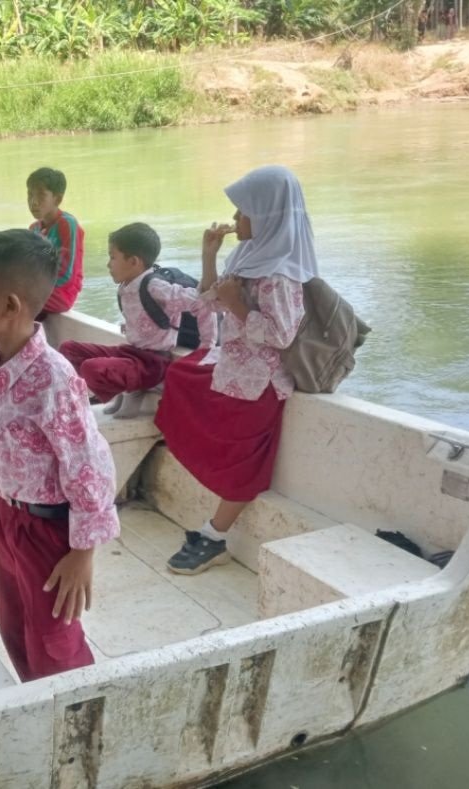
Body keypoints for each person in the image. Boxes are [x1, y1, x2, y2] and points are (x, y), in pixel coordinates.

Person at [0, 229, 120, 681]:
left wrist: (82, 553)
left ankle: (76, 706)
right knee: (14, 625)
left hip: (48, 533)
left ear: (10, 306)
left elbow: (87, 465)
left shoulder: (53, 379)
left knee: (53, 641)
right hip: (7, 520)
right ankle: (35, 701)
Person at [156, 165, 314, 575]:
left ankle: (214, 536)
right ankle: (211, 529)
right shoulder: (247, 255)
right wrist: (209, 256)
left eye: (243, 212)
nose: (235, 219)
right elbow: (209, 301)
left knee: (242, 465)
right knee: (178, 379)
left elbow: (281, 335)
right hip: (231, 369)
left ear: (266, 216)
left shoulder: (281, 273)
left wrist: (238, 305)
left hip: (259, 382)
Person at [59, 222, 217, 419]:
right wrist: (132, 325)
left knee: (91, 368)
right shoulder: (127, 286)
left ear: (134, 261)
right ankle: (123, 389)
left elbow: (202, 302)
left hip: (152, 363)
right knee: (68, 350)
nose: (108, 264)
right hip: (131, 353)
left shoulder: (155, 287)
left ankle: (132, 389)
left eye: (112, 257)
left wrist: (206, 345)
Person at [26, 167, 84, 315]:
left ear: (57, 199)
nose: (33, 202)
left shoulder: (67, 224)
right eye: (30, 194)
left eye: (41, 195)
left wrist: (33, 286)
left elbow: (67, 275)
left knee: (11, 298)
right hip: (39, 289)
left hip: (61, 293)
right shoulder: (34, 229)